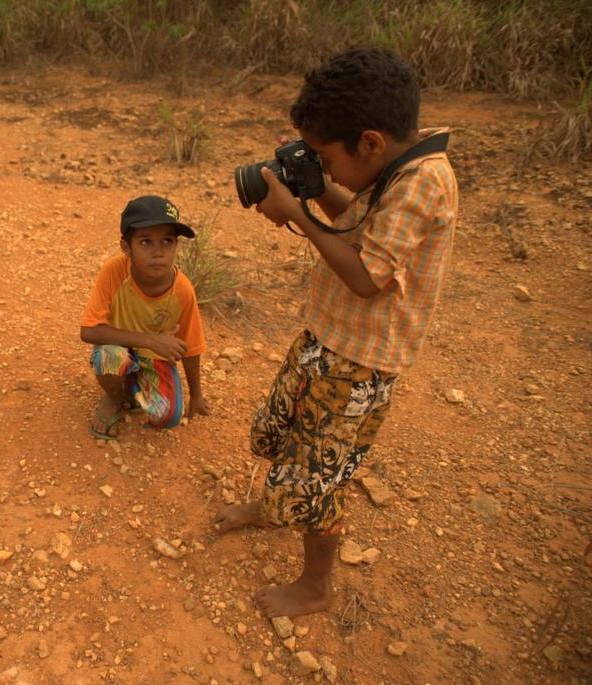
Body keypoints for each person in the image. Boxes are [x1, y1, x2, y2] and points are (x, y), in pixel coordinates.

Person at [214, 47, 458, 618]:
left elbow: (369, 276)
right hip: (327, 341)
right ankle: (272, 505)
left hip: (359, 364)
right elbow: (356, 221)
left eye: (326, 155)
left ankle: (316, 587)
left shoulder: (425, 183)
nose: (322, 165)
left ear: (370, 142)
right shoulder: (396, 167)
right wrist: (317, 189)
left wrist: (296, 215)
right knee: (282, 430)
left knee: (316, 475)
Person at [80, 195, 210, 440]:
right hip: (117, 348)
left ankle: (132, 386)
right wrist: (151, 340)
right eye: (146, 242)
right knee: (109, 357)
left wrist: (197, 394)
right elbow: (88, 330)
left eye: (167, 241)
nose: (158, 252)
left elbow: (192, 348)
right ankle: (115, 397)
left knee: (167, 415)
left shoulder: (182, 290)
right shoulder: (114, 271)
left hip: (153, 358)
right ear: (126, 247)